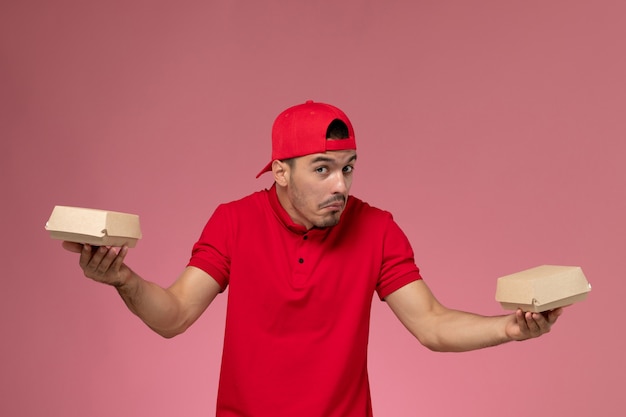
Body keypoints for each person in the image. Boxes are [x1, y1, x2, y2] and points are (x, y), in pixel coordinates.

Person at [62, 100, 563, 417]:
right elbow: (174, 315)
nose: (340, 185)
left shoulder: (377, 228)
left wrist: (510, 329)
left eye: (347, 168)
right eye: (322, 169)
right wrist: (122, 279)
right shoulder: (233, 221)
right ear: (280, 171)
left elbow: (431, 325)